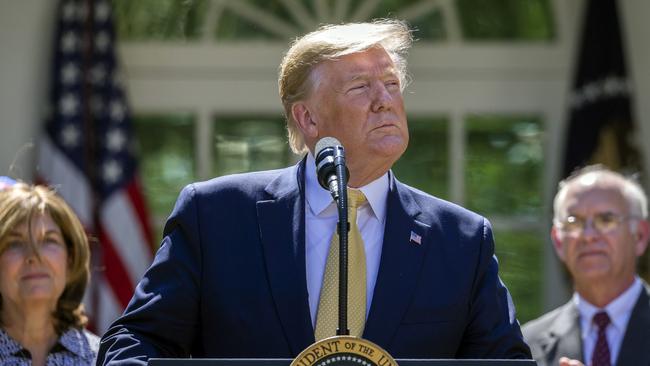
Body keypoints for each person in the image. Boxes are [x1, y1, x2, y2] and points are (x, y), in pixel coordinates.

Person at [97, 19, 531, 364]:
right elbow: (138, 340)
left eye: (392, 84)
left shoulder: (460, 238)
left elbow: (504, 360)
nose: (385, 100)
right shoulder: (217, 216)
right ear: (307, 119)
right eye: (361, 87)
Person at [522, 166, 650, 366]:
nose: (588, 235)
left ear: (640, 236)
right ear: (557, 241)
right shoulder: (527, 345)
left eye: (606, 220)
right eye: (573, 222)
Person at [0, 183, 99, 365]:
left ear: (70, 259)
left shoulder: (104, 359)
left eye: (48, 240)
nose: (34, 256)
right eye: (14, 243)